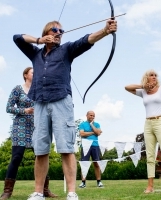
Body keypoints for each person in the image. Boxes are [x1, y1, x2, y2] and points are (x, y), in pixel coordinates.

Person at [13, 19, 117, 200]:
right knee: (40, 150)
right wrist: (39, 40)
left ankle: (71, 192)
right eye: (55, 30)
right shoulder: (35, 54)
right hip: (40, 102)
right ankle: (38, 192)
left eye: (62, 31)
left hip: (61, 101)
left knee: (66, 148)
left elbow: (86, 40)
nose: (59, 33)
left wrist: (105, 31)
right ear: (47, 32)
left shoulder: (67, 49)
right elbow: (17, 38)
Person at [0, 67, 57, 200]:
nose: (36, 74)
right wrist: (24, 110)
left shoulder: (39, 89)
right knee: (16, 157)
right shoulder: (17, 89)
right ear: (25, 75)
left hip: (37, 126)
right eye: (33, 72)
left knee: (41, 157)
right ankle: (7, 191)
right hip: (20, 126)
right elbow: (8, 108)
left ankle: (45, 190)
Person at [78, 111, 103, 188]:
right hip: (85, 146)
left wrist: (92, 125)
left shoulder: (97, 124)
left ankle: (99, 182)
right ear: (87, 115)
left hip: (95, 145)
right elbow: (82, 134)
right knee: (84, 164)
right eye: (90, 115)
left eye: (93, 116)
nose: (92, 117)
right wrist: (93, 132)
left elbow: (98, 133)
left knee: (96, 163)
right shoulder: (82, 124)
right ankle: (83, 182)